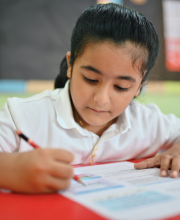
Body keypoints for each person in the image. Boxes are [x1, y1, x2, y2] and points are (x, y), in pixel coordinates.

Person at [0, 3, 180, 194]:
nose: (101, 99)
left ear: (139, 87)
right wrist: (8, 169)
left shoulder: (147, 122)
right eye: (90, 79)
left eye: (121, 87)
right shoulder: (20, 115)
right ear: (70, 65)